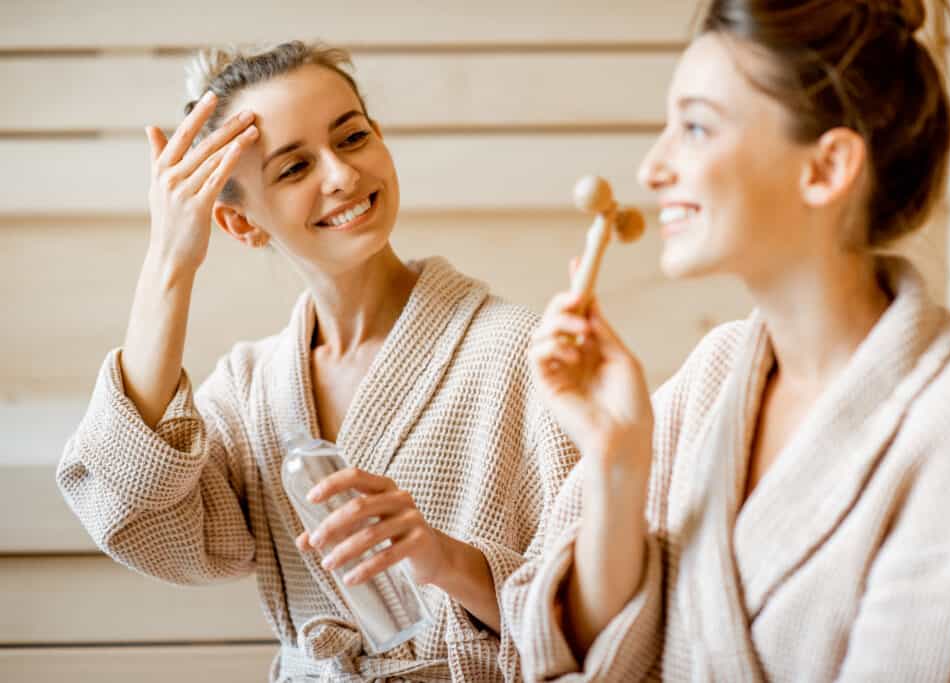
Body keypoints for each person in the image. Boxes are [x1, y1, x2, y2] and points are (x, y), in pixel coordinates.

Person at [505, 1, 950, 680]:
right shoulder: (715, 372)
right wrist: (617, 459)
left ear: (827, 167)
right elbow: (578, 649)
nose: (652, 168)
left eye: (694, 127)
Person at [57, 41, 578, 682]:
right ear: (238, 222)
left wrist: (442, 558)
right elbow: (133, 513)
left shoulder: (522, 353)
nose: (340, 175)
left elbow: (602, 612)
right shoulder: (250, 391)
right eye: (294, 167)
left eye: (352, 137)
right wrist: (169, 262)